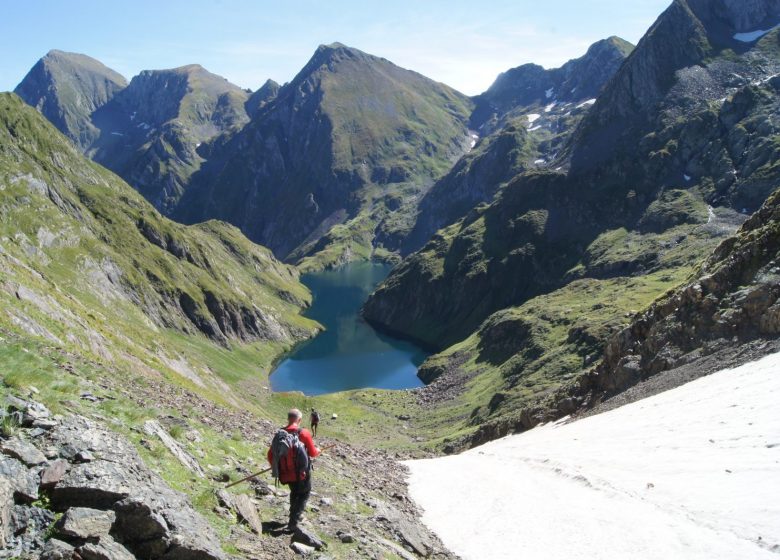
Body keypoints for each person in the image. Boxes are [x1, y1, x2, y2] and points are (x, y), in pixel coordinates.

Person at [267, 408, 320, 530]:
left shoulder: (280, 434)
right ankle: (293, 523)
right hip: (301, 473)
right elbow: (312, 453)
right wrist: (318, 450)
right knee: (304, 493)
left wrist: (278, 468)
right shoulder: (303, 433)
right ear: (299, 420)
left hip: (285, 473)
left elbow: (270, 455)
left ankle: (292, 516)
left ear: (288, 418)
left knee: (295, 492)